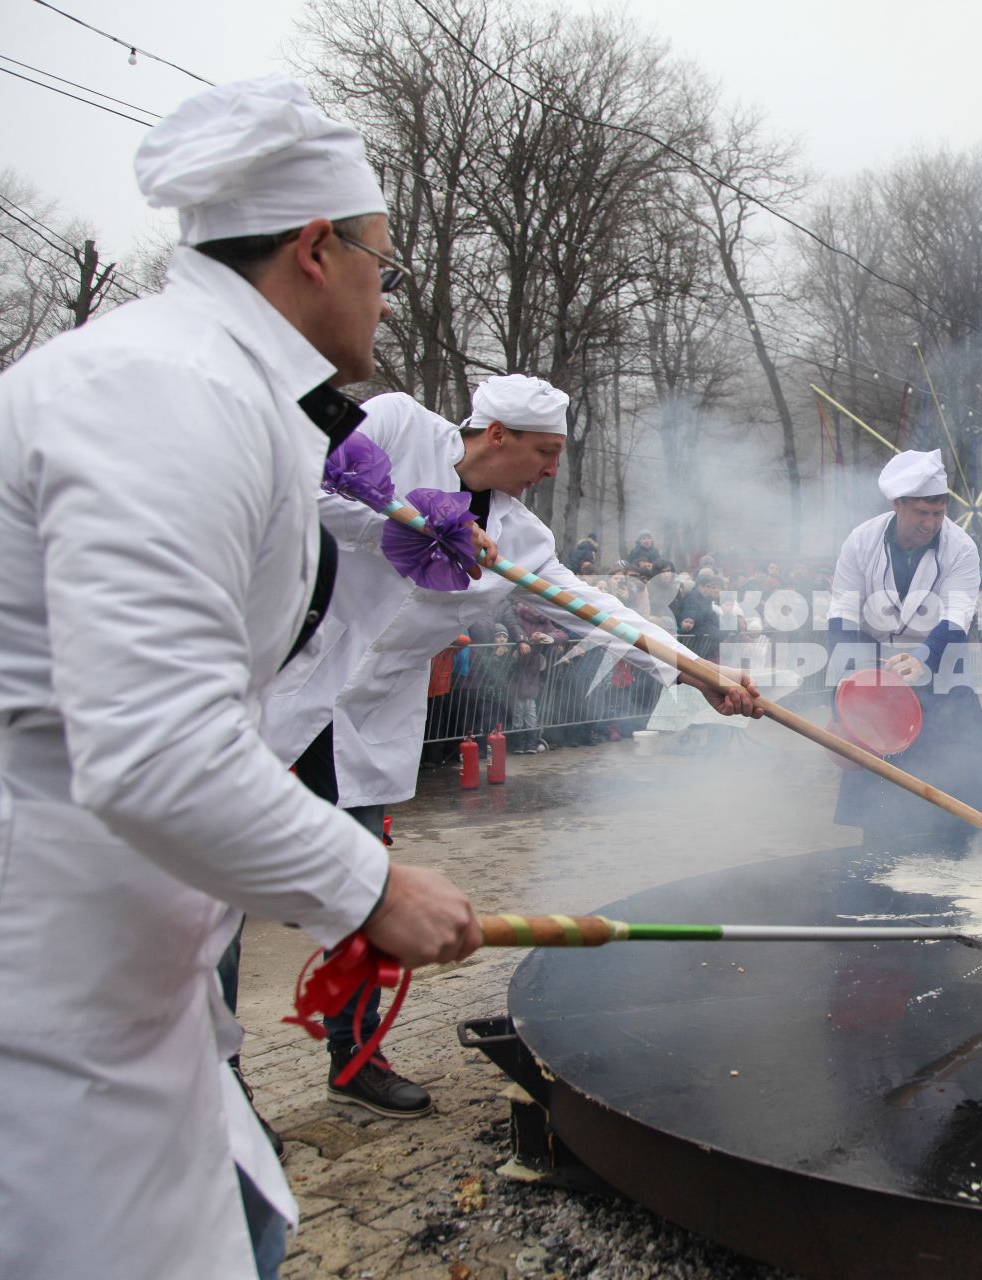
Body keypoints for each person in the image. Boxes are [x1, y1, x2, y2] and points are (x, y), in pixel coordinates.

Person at [0, 76, 484, 1279]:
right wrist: (369, 882)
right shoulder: (163, 389)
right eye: (382, 266)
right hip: (28, 979)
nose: (383, 297)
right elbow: (152, 745)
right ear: (316, 249)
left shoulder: (216, 385)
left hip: (114, 967)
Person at [263, 375, 759, 1113]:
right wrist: (409, 522)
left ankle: (354, 1055)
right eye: (544, 451)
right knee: (210, 891)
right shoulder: (397, 425)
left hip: (369, 719)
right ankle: (221, 1080)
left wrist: (695, 671)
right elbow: (294, 482)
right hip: (284, 686)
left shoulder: (524, 538)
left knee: (363, 891)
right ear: (496, 434)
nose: (552, 470)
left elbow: (597, 610)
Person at [827, 449, 982, 842]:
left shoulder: (961, 547)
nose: (931, 523)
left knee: (962, 794)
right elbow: (842, 614)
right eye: (921, 513)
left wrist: (924, 658)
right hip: (875, 673)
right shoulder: (861, 541)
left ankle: (960, 854)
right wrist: (845, 698)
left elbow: (957, 615)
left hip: (942, 672)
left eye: (938, 512)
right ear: (898, 506)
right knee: (880, 804)